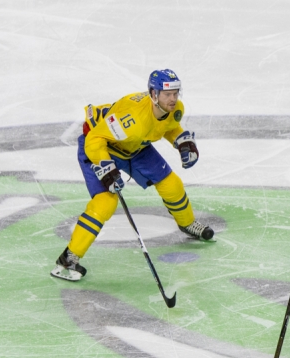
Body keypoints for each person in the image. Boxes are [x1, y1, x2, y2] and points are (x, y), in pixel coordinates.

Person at [50, 69, 213, 282]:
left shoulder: (174, 109)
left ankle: (187, 224)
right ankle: (69, 258)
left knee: (171, 184)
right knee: (105, 202)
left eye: (175, 93)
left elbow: (167, 126)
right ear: (154, 94)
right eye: (167, 94)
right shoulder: (131, 118)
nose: (173, 99)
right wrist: (106, 167)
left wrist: (181, 141)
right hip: (100, 147)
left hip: (134, 146)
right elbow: (95, 139)